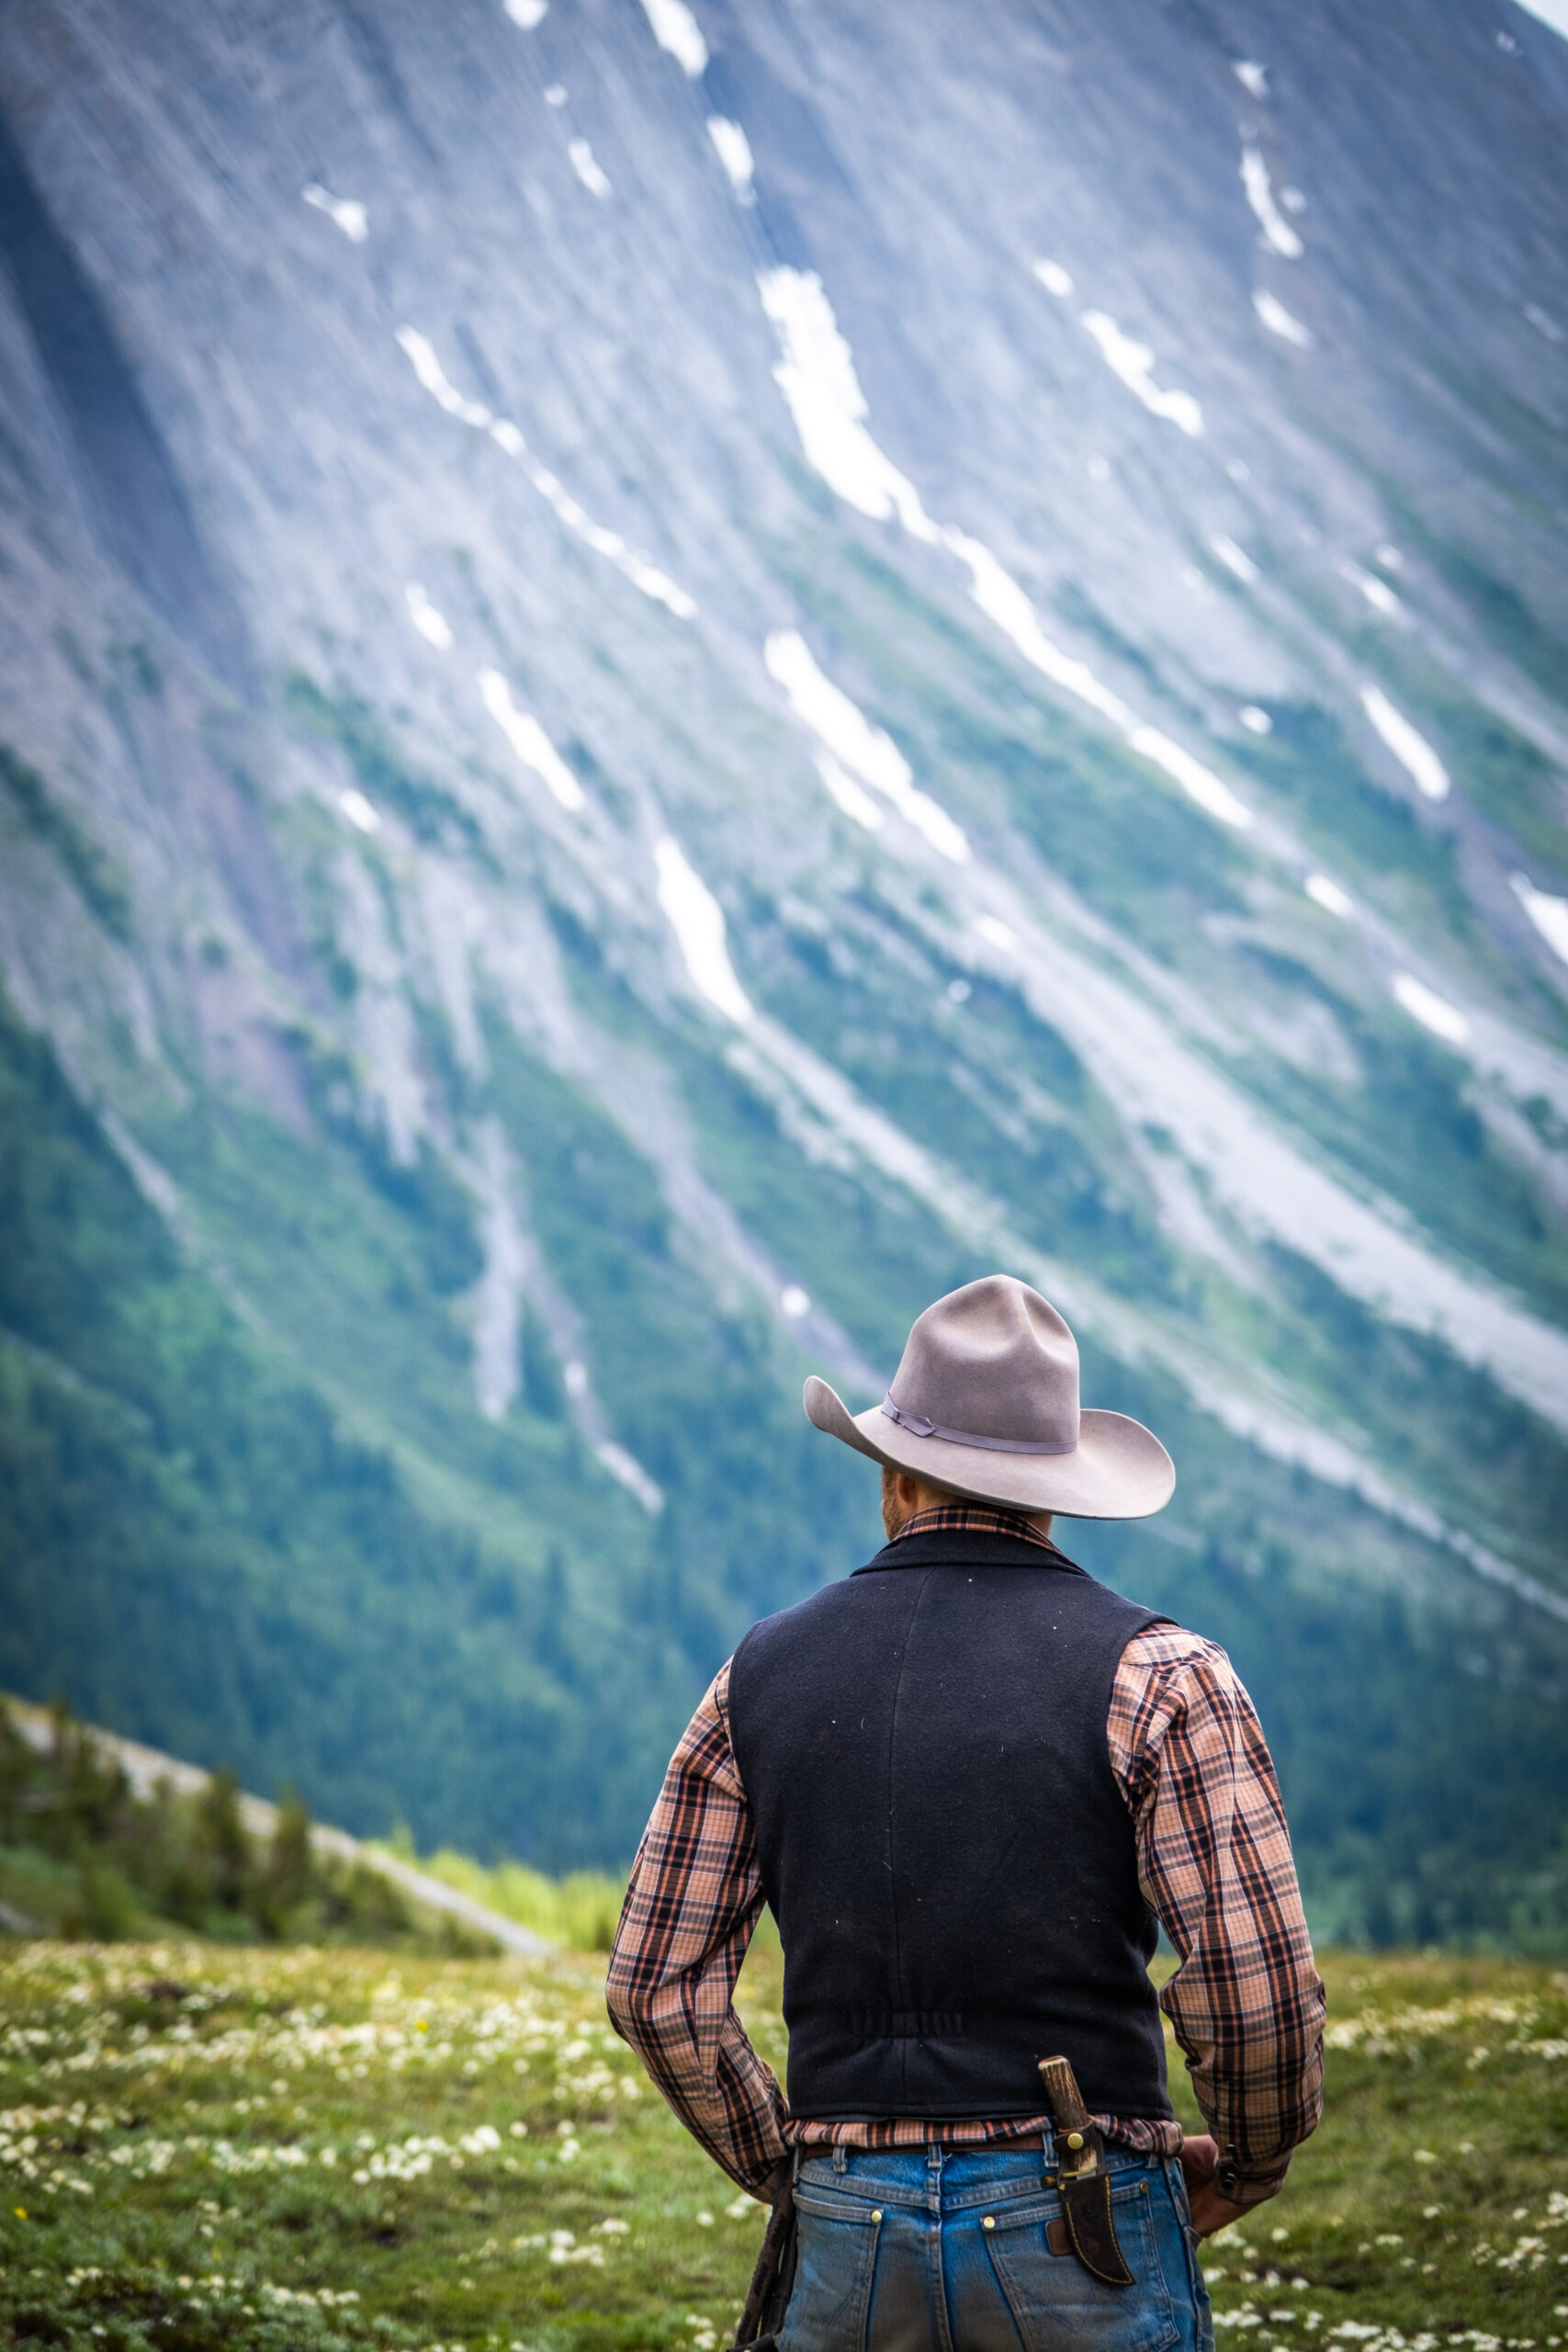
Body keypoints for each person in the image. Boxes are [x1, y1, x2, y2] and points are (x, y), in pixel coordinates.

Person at [608, 1274, 1325, 2351]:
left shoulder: (753, 1679)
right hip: (1081, 2211)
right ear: (1053, 1494)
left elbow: (653, 1986)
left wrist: (791, 2162)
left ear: (895, 1478)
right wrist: (1252, 2159)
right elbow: (1256, 1994)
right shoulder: (1167, 1678)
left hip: (848, 2219)